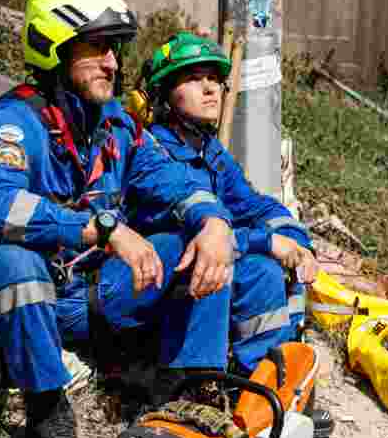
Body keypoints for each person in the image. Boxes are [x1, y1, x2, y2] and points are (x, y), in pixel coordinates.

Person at [0, 0, 237, 438]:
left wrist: (215, 224)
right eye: (99, 48)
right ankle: (47, 417)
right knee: (12, 261)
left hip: (85, 296)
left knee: (193, 245)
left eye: (115, 50)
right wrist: (103, 229)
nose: (112, 62)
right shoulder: (15, 123)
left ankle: (183, 394)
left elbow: (173, 182)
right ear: (54, 48)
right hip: (17, 303)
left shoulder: (116, 126)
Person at [130, 32, 318, 377]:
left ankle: (263, 382)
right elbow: (185, 238)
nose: (210, 88)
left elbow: (256, 207)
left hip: (196, 283)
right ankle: (192, 383)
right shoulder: (150, 150)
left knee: (263, 272)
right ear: (162, 93)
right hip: (151, 284)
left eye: (215, 79)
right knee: (230, 259)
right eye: (193, 78)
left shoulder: (210, 152)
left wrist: (297, 243)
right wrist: (266, 242)